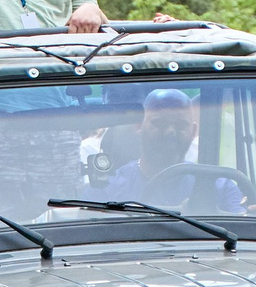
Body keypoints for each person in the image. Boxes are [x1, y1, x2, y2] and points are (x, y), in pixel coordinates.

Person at [98, 89, 247, 214]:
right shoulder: (108, 190)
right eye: (160, 123)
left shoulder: (219, 187)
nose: (170, 132)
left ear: (193, 131)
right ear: (139, 126)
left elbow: (243, 234)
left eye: (180, 125)